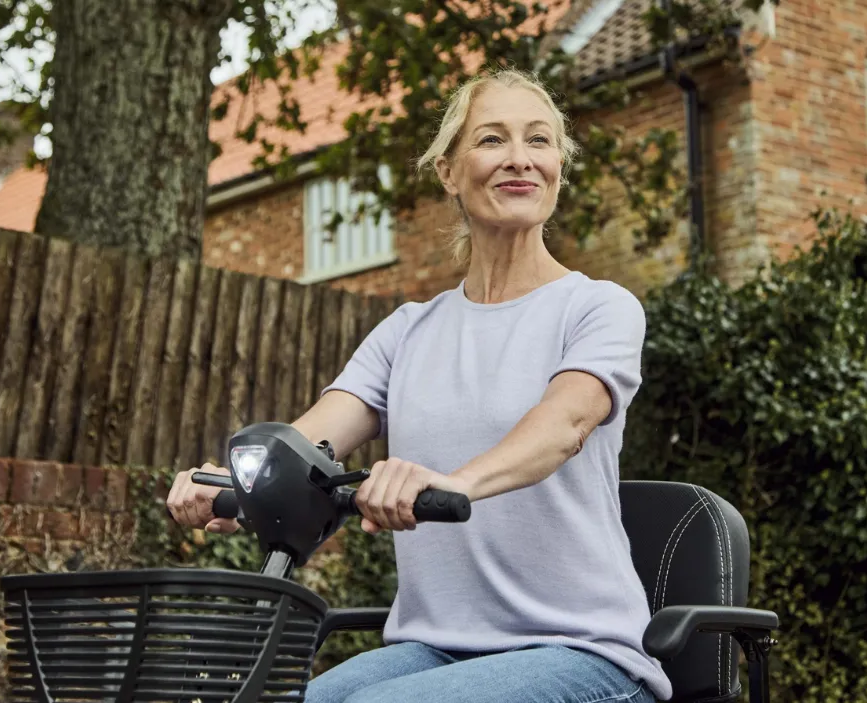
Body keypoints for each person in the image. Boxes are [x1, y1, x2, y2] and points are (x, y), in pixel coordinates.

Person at [166, 68, 673, 703]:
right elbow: (307, 445)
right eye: (492, 140)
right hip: (434, 645)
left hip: (581, 650)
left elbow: (564, 425)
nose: (520, 159)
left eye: (540, 141)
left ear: (558, 168)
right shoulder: (408, 331)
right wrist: (233, 483)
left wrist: (455, 482)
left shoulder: (599, 308)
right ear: (448, 171)